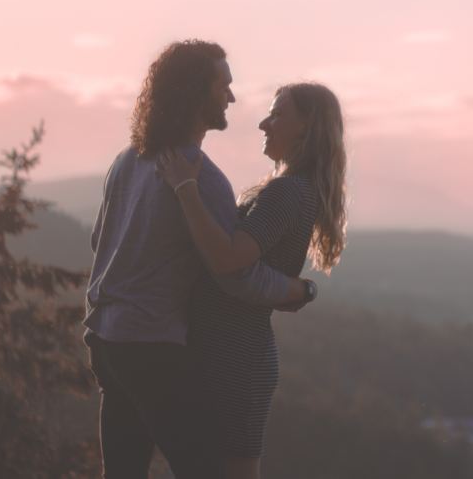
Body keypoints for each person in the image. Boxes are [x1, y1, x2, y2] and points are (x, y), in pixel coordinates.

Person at [83, 40, 317, 479]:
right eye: (223, 85)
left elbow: (101, 241)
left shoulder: (126, 161)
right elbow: (234, 274)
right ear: (196, 91)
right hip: (153, 346)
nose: (231, 96)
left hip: (105, 339)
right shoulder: (203, 180)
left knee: (123, 470)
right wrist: (298, 289)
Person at [158, 82, 347, 479]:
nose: (264, 123)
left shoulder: (289, 192)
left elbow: (229, 259)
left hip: (238, 360)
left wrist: (186, 188)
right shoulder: (289, 190)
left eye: (277, 114)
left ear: (305, 127)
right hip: (225, 354)